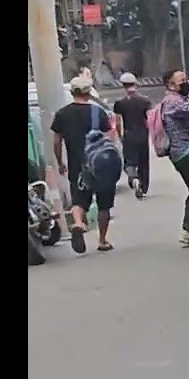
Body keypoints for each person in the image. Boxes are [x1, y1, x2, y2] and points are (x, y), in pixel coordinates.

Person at [50, 76, 118, 254]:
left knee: (79, 201)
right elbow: (112, 135)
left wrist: (60, 162)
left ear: (72, 92)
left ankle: (78, 224)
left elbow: (56, 142)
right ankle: (102, 241)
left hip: (77, 165)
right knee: (104, 205)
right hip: (101, 165)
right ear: (88, 93)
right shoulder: (98, 112)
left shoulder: (62, 114)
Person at [162, 69, 189, 248]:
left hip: (184, 153)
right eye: (182, 81)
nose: (186, 83)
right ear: (171, 85)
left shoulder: (175, 98)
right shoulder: (171, 101)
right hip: (184, 152)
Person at [112, 72, 152, 199]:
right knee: (143, 161)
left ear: (123, 86)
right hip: (143, 134)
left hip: (129, 134)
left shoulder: (120, 103)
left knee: (130, 161)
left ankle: (134, 180)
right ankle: (143, 185)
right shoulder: (145, 101)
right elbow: (150, 119)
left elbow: (118, 122)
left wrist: (120, 135)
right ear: (135, 83)